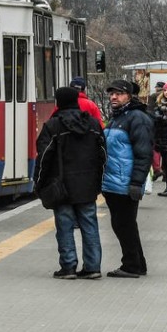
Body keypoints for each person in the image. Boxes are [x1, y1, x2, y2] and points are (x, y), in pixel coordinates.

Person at [34, 86, 106, 280]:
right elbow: (103, 154)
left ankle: (68, 267)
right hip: (88, 185)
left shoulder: (53, 126)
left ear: (58, 102)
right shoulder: (92, 124)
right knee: (90, 225)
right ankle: (93, 267)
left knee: (65, 226)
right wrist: (99, 179)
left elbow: (43, 158)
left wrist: (39, 183)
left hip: (61, 186)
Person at [102, 79, 154, 278]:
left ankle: (132, 264)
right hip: (114, 182)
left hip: (124, 183)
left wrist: (136, 183)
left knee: (124, 225)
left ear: (129, 96)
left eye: (119, 93)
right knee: (124, 225)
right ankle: (137, 263)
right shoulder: (118, 117)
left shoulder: (136, 118)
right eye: (112, 93)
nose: (113, 97)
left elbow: (143, 154)